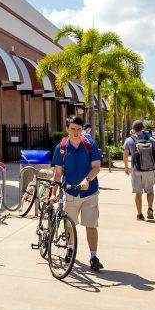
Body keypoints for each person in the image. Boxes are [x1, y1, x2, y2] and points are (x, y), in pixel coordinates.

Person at [50, 116, 103, 270]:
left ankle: (94, 257)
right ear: (67, 129)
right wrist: (53, 193)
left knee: (91, 225)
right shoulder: (61, 148)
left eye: (79, 129)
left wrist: (87, 180)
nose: (75, 132)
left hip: (90, 192)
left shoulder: (89, 144)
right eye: (72, 129)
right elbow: (58, 173)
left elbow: (97, 167)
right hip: (70, 192)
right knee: (69, 224)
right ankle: (70, 249)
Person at [123, 119, 155, 221]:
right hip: (149, 169)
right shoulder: (151, 140)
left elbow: (125, 154)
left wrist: (126, 167)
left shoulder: (129, 140)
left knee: (138, 193)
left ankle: (139, 214)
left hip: (136, 170)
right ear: (143, 128)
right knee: (150, 191)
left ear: (133, 129)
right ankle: (150, 208)